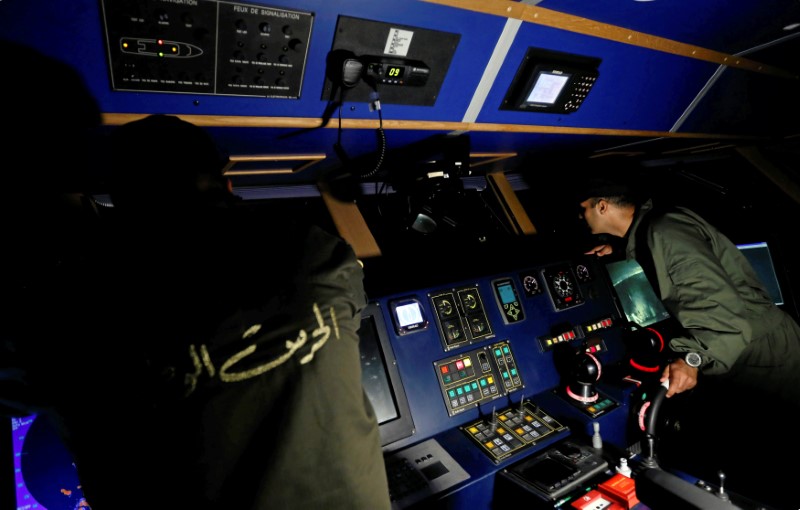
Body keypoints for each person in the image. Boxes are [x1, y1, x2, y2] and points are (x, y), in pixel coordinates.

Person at [576, 174, 800, 508]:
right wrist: (621, 246)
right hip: (759, 342)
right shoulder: (660, 224)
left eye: (584, 209)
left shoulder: (664, 234)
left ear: (603, 205)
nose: (581, 216)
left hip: (758, 352)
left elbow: (721, 316)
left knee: (779, 451)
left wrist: (691, 358)